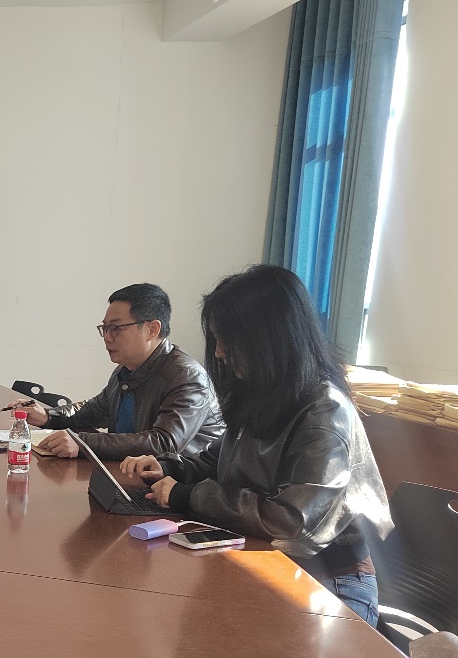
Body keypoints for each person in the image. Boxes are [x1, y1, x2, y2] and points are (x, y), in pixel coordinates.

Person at [120, 264, 392, 626]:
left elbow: (291, 522)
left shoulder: (325, 412)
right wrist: (169, 468)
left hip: (329, 581)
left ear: (267, 338)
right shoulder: (263, 394)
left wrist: (187, 496)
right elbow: (217, 461)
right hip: (266, 560)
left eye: (226, 340)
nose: (219, 353)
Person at [25, 283, 225, 460]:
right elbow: (93, 411)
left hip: (177, 484)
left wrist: (83, 443)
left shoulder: (187, 377)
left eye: (116, 328)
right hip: (130, 474)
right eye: (105, 328)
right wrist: (48, 417)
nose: (107, 337)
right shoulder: (126, 371)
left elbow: (164, 443)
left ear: (152, 329)